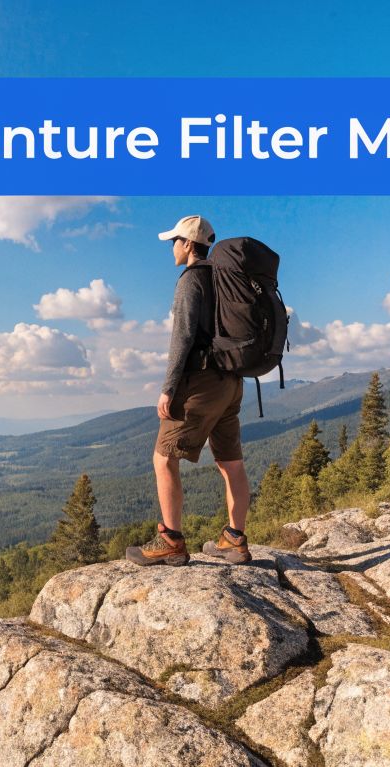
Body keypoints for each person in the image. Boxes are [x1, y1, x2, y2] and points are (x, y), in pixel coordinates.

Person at [126, 215, 252, 566]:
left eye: (174, 242)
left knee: (164, 457)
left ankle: (170, 541)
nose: (172, 248)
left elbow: (181, 337)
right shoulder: (227, 279)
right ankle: (234, 541)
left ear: (187, 244)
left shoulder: (191, 280)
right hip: (232, 381)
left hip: (201, 382)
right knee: (231, 462)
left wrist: (168, 388)